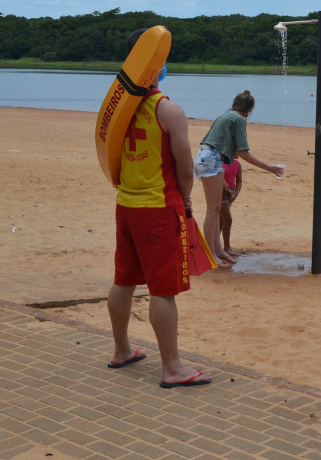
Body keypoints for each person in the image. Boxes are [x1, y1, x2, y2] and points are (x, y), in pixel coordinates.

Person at [106, 28, 211, 388]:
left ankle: (122, 350)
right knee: (163, 289)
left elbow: (110, 156)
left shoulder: (117, 110)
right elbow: (185, 167)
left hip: (126, 205)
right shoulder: (167, 108)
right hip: (158, 207)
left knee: (123, 280)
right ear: (156, 62)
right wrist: (186, 200)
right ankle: (172, 368)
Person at [196, 90, 284, 267]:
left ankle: (219, 251)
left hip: (206, 158)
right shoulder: (238, 120)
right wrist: (270, 167)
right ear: (250, 109)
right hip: (212, 160)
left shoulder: (226, 115)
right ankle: (211, 254)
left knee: (214, 210)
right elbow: (243, 153)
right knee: (212, 211)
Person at [219, 159, 243, 257]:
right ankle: (227, 247)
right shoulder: (219, 163)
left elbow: (239, 181)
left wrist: (235, 195)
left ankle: (214, 247)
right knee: (227, 220)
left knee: (220, 221)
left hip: (230, 195)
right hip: (220, 194)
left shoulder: (237, 164)